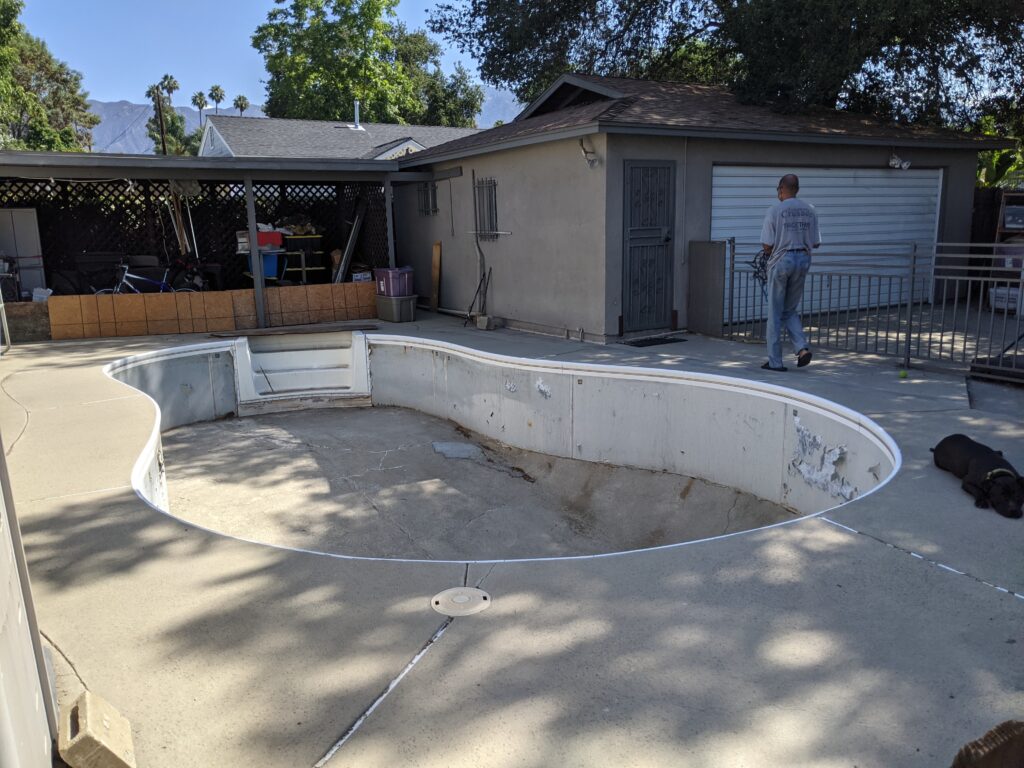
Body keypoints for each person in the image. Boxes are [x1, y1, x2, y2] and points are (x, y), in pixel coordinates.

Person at [759, 174, 821, 371]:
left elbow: (767, 245)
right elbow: (816, 242)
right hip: (803, 260)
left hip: (781, 262)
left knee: (775, 313)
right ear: (797, 189)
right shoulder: (810, 210)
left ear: (781, 189)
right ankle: (802, 348)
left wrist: (772, 251)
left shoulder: (775, 210)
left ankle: (775, 362)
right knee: (790, 309)